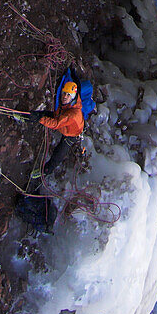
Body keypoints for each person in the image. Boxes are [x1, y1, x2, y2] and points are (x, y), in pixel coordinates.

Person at [15, 68, 94, 229]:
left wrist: (42, 119)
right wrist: (40, 117)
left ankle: (44, 172)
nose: (64, 97)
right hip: (65, 124)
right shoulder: (68, 104)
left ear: (73, 98)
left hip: (71, 135)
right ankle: (24, 117)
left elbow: (56, 124)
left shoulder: (71, 114)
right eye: (64, 94)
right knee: (40, 115)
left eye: (67, 95)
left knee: (57, 156)